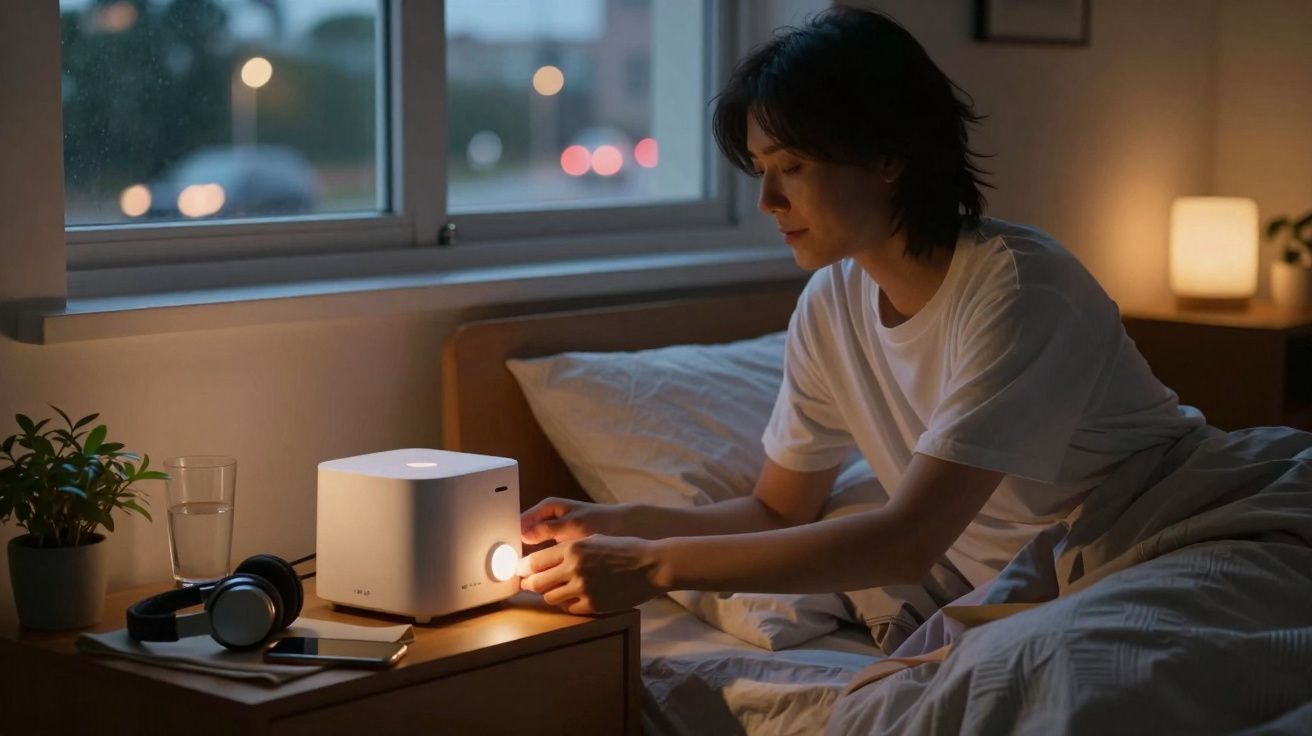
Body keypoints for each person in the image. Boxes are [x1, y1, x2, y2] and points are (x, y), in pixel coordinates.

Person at [514, 7, 1202, 615]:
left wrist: (651, 567)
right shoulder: (830, 305)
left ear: (887, 157)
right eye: (760, 171)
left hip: (1167, 535)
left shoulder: (1020, 290)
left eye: (793, 167)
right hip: (1052, 580)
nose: (768, 203)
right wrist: (614, 526)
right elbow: (779, 509)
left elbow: (905, 544)